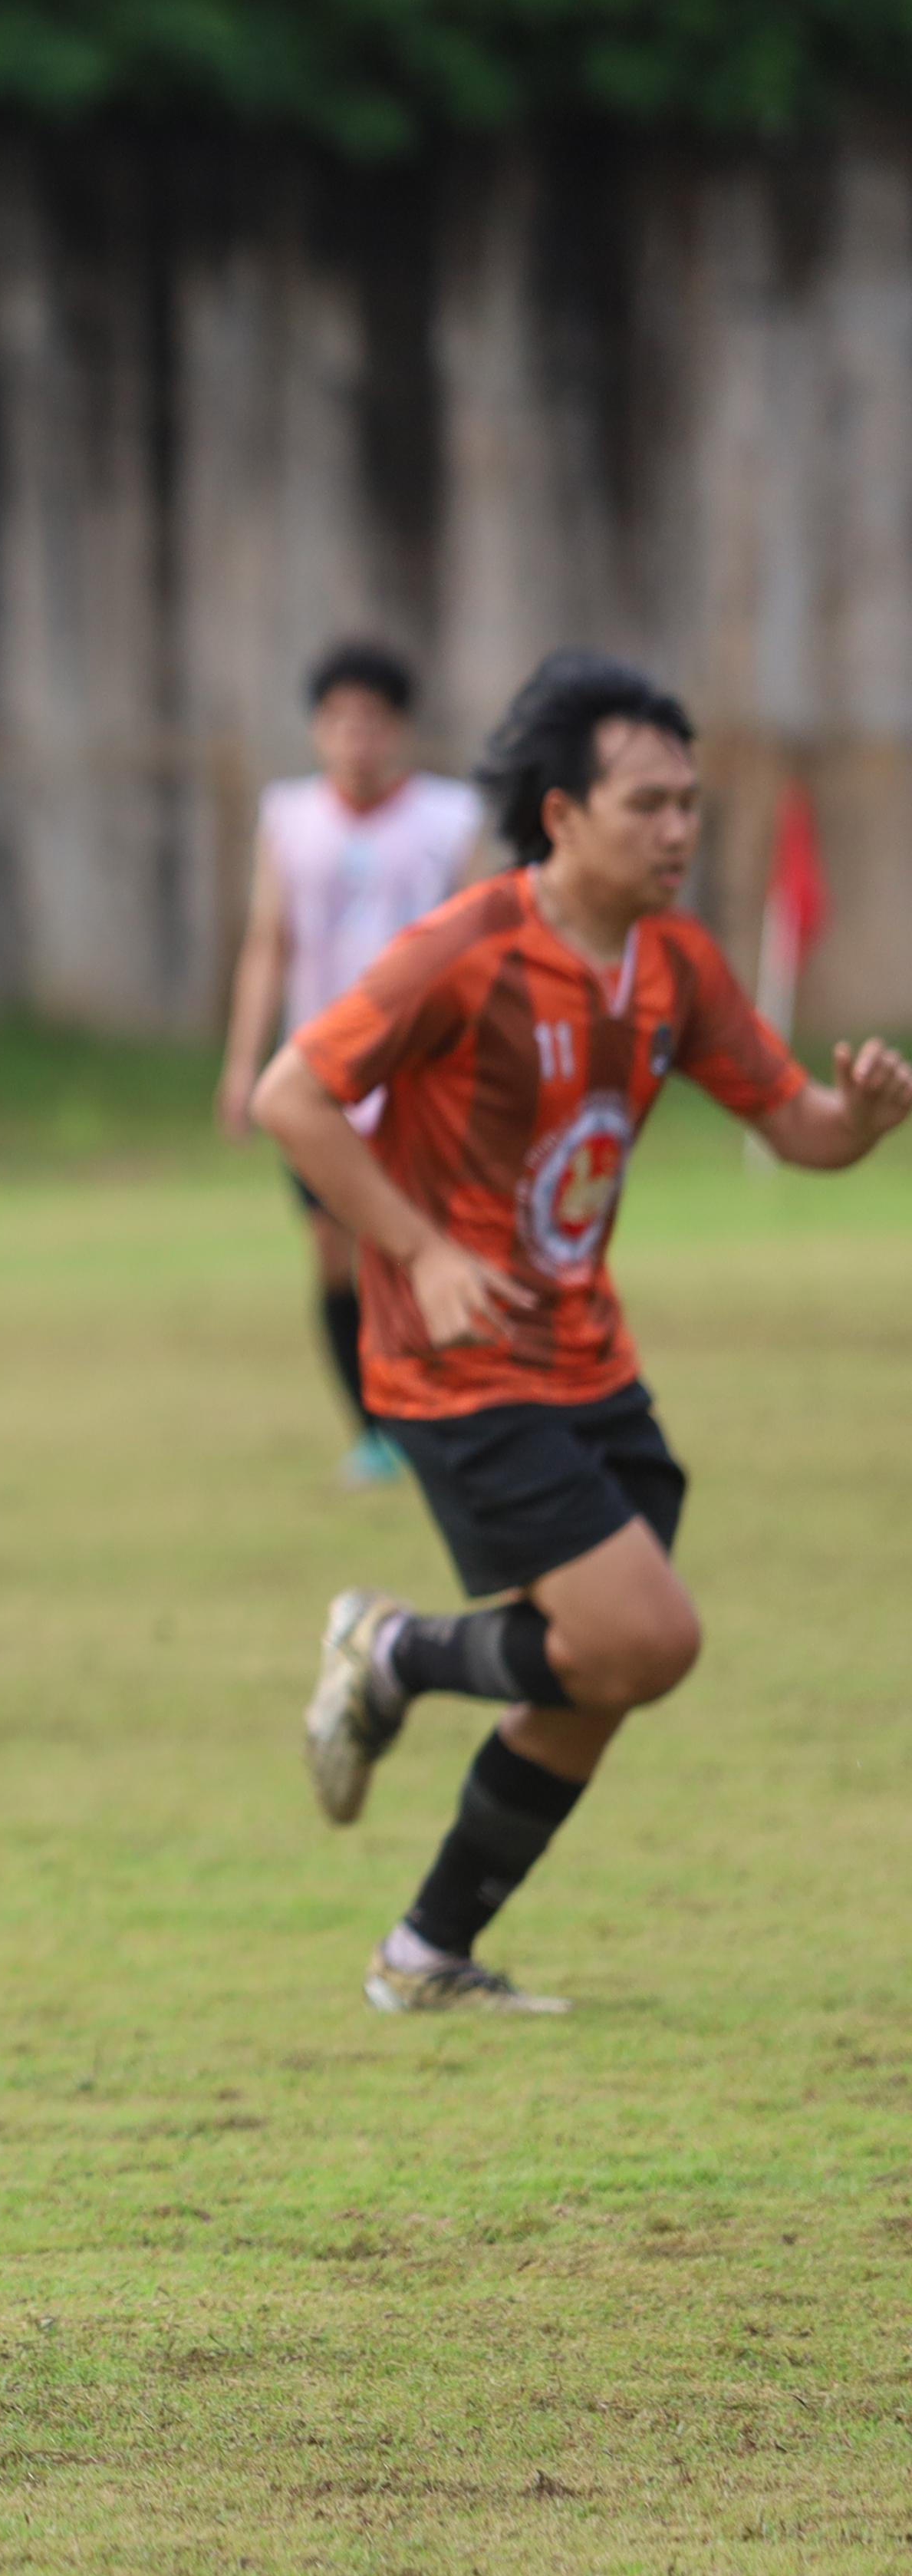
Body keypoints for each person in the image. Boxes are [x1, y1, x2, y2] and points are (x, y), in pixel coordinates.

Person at [272, 648, 907, 2014]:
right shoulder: (466, 949)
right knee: (647, 1641)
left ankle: (424, 1953)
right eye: (647, 804)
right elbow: (293, 1097)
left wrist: (852, 1125)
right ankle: (391, 1653)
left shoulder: (674, 965)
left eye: (689, 804)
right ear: (560, 814)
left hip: (591, 1367)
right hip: (454, 1366)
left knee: (599, 1673)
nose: (679, 830)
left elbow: (789, 1121)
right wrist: (422, 1249)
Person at [218, 638, 488, 1484]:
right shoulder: (289, 819)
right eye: (339, 722)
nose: (356, 740)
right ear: (317, 730)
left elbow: (488, 949)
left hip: (424, 1081)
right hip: (321, 1087)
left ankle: (447, 1411)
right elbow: (269, 943)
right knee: (334, 1254)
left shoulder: (453, 819)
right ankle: (375, 1428)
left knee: (424, 1248)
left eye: (372, 723)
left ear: (400, 730)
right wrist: (241, 1064)